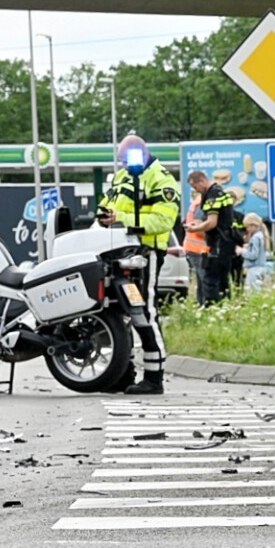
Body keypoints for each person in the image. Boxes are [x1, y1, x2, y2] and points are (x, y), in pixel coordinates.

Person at [96, 135, 182, 395]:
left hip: (147, 253)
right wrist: (103, 217)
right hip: (118, 253)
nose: (125, 165)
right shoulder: (121, 177)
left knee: (144, 312)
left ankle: (154, 378)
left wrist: (120, 218)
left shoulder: (162, 179)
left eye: (128, 159)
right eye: (121, 160)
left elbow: (163, 221)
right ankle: (124, 374)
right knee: (119, 313)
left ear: (143, 153)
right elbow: (105, 205)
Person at [184, 169, 241, 306]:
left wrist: (194, 228)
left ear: (202, 181)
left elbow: (211, 222)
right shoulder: (222, 192)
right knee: (223, 280)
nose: (195, 190)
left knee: (210, 280)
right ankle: (225, 308)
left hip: (218, 243)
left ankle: (212, 308)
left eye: (195, 186)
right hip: (227, 242)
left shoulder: (211, 196)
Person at [241, 214, 271, 290]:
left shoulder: (255, 237)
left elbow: (253, 255)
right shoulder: (261, 235)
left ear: (253, 225)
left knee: (252, 293)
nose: (247, 229)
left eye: (247, 227)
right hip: (262, 267)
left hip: (254, 269)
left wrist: (242, 251)